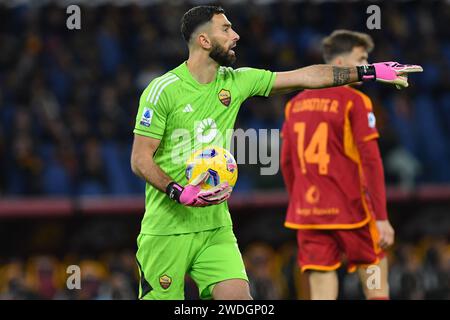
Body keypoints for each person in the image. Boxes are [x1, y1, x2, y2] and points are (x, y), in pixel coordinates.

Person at [130, 6, 421, 300]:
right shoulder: (163, 90)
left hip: (214, 227)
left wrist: (369, 71)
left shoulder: (236, 81)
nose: (236, 35)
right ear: (204, 41)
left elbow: (308, 77)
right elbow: (140, 159)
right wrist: (178, 191)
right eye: (226, 29)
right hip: (166, 230)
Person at [281, 30, 399, 300]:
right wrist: (381, 217)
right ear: (342, 65)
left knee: (322, 293)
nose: (367, 66)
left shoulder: (294, 105)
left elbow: (287, 163)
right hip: (352, 210)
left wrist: (298, 200)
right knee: (376, 283)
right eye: (362, 58)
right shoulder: (356, 102)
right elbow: (371, 160)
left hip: (309, 214)